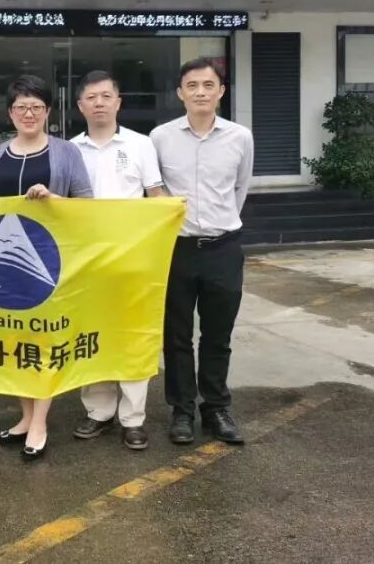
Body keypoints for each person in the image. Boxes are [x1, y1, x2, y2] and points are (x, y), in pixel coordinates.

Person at [0, 74, 92, 461]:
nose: (28, 114)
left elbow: (87, 205)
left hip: (48, 260)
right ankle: (25, 416)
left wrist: (53, 199)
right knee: (14, 342)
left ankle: (41, 421)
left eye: (36, 107)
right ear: (10, 113)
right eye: (20, 107)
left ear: (48, 111)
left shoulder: (66, 152)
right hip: (4, 262)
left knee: (44, 341)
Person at [150, 58, 254, 446]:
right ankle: (182, 410)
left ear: (221, 92)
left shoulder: (240, 137)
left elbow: (240, 189)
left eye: (208, 85)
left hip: (223, 248)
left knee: (217, 334)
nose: (200, 92)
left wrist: (219, 223)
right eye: (192, 86)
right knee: (176, 335)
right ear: (180, 93)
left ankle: (216, 408)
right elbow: (154, 189)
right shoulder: (160, 137)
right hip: (176, 249)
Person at [70, 70, 167, 451]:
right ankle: (99, 411)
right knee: (92, 334)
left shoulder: (141, 145)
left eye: (106, 96)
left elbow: (155, 194)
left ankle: (133, 418)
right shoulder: (69, 150)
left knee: (131, 336)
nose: (99, 103)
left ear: (118, 102)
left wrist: (173, 210)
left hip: (132, 260)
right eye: (91, 97)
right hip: (87, 261)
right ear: (80, 106)